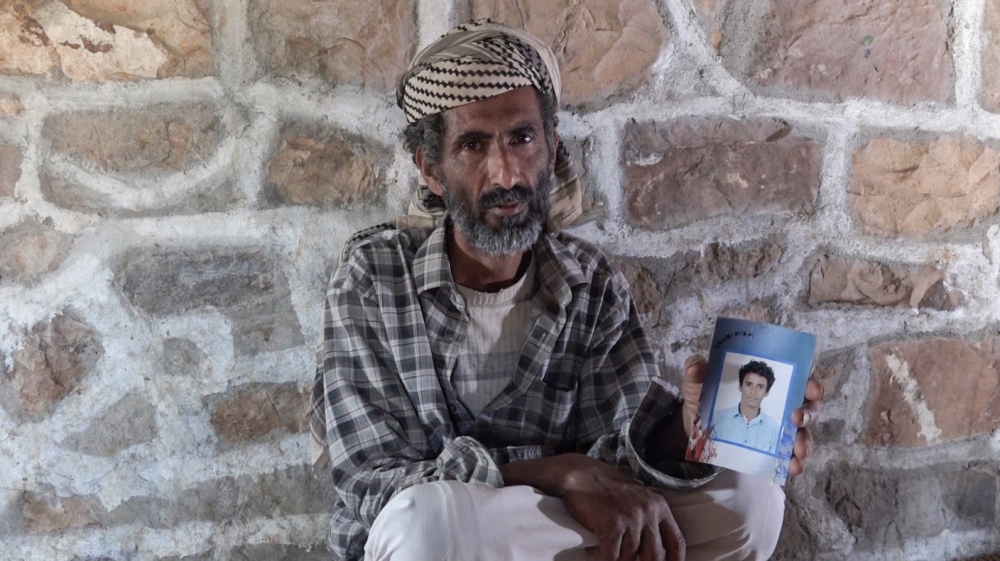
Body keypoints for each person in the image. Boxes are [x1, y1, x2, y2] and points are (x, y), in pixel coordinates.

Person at [309, 20, 824, 561]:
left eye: (522, 138)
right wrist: (562, 472)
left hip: (563, 528)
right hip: (465, 538)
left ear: (551, 148)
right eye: (473, 145)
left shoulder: (588, 281)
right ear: (432, 169)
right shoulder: (375, 276)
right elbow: (374, 481)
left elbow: (620, 451)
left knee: (752, 499)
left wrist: (684, 426)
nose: (505, 172)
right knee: (426, 523)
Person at [711, 360, 782, 453]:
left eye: (760, 387)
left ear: (767, 392)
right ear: (740, 386)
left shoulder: (774, 430)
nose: (753, 391)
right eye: (749, 384)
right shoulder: (717, 419)